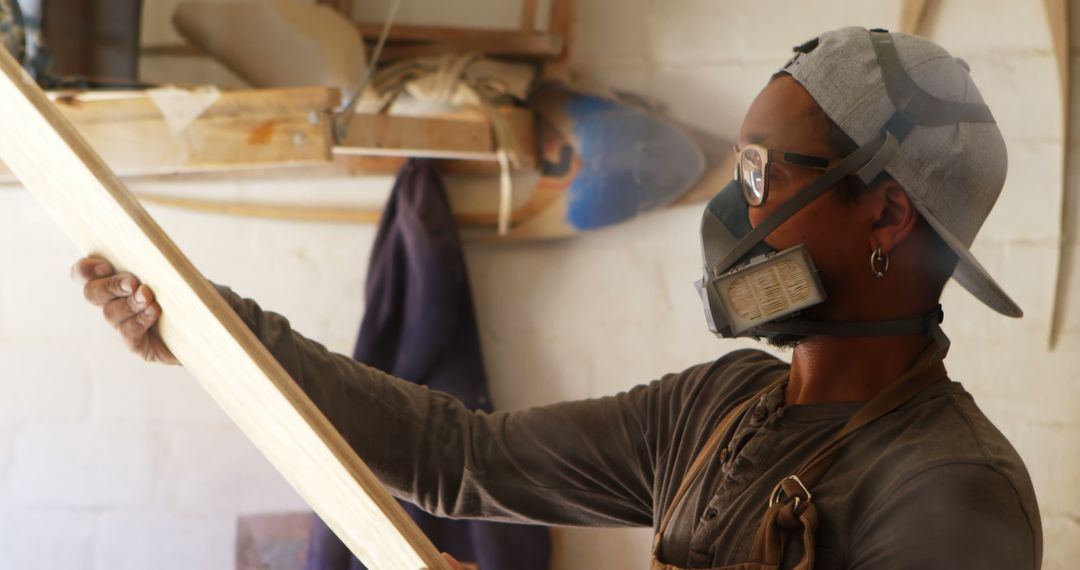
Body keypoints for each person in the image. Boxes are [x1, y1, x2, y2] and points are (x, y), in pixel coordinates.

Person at [70, 27, 1040, 569]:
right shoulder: (718, 409)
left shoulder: (954, 492)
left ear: (886, 217)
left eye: (762, 176)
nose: (733, 213)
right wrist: (215, 327)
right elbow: (457, 456)